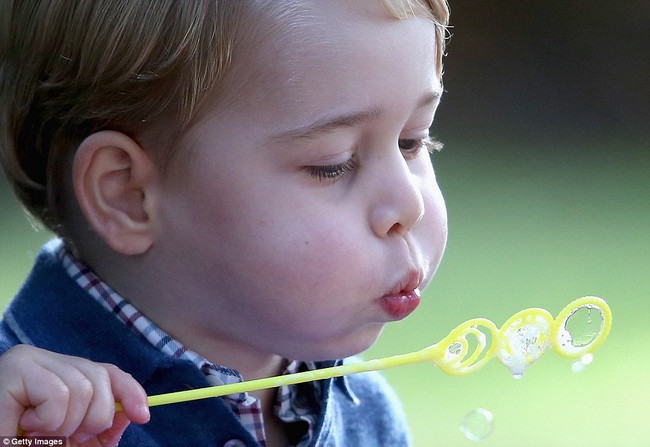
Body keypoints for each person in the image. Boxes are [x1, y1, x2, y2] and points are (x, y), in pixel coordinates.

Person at [0, 0, 449, 445]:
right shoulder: (27, 425)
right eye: (333, 164)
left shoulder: (365, 414)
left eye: (413, 141)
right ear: (128, 197)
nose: (410, 204)